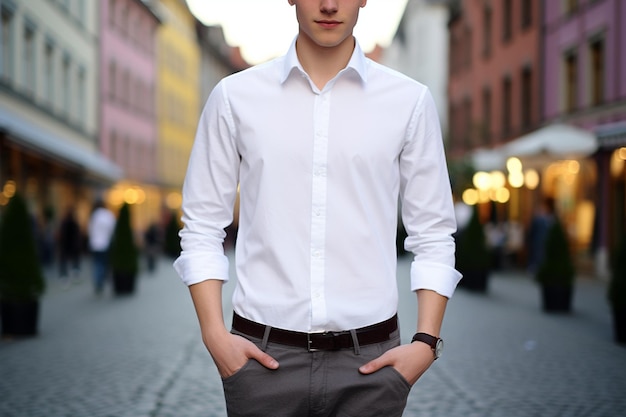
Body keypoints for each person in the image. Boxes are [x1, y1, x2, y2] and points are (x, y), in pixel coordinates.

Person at [174, 1, 462, 416]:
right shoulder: (235, 97)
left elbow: (434, 232)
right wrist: (214, 335)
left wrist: (425, 343)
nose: (329, 4)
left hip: (372, 365)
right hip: (261, 362)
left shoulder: (409, 102)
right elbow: (201, 225)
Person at [88, 199, 116, 295]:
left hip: (95, 244)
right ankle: (100, 281)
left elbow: (90, 230)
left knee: (97, 263)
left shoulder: (94, 215)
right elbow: (112, 228)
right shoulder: (108, 215)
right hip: (105, 244)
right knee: (103, 264)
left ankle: (98, 282)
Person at [58, 206, 82, 282]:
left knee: (64, 261)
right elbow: (77, 234)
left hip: (65, 245)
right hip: (72, 246)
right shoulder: (74, 223)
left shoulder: (64, 223)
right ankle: (74, 274)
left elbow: (61, 234)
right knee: (74, 260)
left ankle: (64, 277)